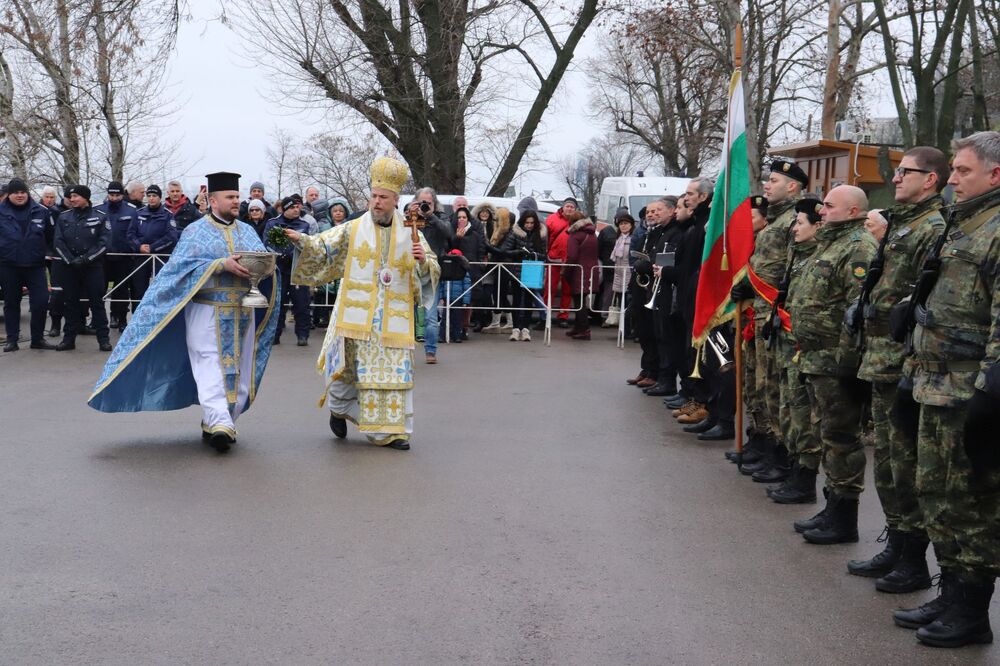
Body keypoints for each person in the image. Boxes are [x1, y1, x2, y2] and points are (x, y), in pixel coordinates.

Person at [894, 131, 1000, 648]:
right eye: (953, 170)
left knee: (971, 502)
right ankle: (952, 592)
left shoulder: (996, 230)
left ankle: (973, 611)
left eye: (962, 171)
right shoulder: (965, 224)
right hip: (932, 381)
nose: (952, 179)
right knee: (936, 494)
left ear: (995, 174)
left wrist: (990, 391)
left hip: (968, 388)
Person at [89, 172, 280, 454]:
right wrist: (218, 265)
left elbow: (262, 263)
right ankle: (219, 423)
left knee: (238, 368)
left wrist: (267, 267)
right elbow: (178, 271)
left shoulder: (248, 231)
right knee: (210, 364)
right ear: (213, 201)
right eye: (230, 197)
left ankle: (221, 419)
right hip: (206, 310)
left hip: (242, 311)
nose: (236, 202)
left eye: (238, 197)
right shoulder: (195, 232)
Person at [283, 157, 439, 451]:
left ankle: (392, 432)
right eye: (374, 196)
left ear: (395, 200)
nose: (377, 202)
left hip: (394, 317)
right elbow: (323, 245)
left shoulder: (411, 231)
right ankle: (339, 409)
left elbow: (431, 268)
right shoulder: (354, 228)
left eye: (383, 197)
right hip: (357, 313)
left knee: (392, 374)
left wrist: (422, 261)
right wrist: (301, 240)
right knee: (350, 369)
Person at [846, 147, 948, 593]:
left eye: (906, 172)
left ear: (930, 179)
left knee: (904, 465)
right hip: (881, 356)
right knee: (887, 463)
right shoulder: (905, 222)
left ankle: (913, 559)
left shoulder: (933, 227)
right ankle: (898, 543)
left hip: (902, 358)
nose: (897, 178)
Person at [787, 185, 876, 545]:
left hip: (836, 361)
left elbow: (857, 313)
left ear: (853, 210)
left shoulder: (858, 247)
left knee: (842, 439)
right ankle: (831, 508)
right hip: (815, 357)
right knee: (828, 435)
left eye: (828, 205)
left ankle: (844, 518)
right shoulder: (831, 242)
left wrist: (848, 362)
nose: (821, 210)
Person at [734, 159, 807, 481]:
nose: (766, 184)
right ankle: (761, 444)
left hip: (777, 317)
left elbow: (792, 269)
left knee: (775, 390)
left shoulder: (795, 220)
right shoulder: (776, 220)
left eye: (773, 180)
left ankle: (779, 456)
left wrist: (760, 287)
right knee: (758, 386)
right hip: (759, 314)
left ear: (792, 186)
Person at [766, 198, 823, 503]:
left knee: (804, 417)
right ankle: (793, 470)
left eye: (801, 222)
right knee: (789, 410)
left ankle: (805, 481)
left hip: (808, 348)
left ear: (819, 226)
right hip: (790, 343)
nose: (795, 227)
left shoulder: (820, 254)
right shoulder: (800, 254)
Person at [52, 185, 113, 352]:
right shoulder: (64, 217)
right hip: (70, 268)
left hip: (92, 267)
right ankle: (68, 339)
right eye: (70, 197)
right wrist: (70, 260)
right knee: (70, 304)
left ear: (86, 197)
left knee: (97, 304)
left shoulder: (100, 216)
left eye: (76, 196)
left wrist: (86, 259)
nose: (72, 200)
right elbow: (58, 242)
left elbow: (104, 243)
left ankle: (103, 339)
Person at [0, 178, 57, 351]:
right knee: (11, 303)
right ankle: (12, 340)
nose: (19, 195)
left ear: (28, 193)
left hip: (35, 265)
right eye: (15, 192)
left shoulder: (41, 211)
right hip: (8, 264)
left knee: (40, 302)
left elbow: (51, 236)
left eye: (22, 192)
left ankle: (38, 338)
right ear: (9, 194)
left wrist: (48, 253)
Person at [405, 187, 452, 364]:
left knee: (430, 315)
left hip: (432, 270)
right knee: (406, 313)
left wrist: (430, 215)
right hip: (409, 270)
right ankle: (404, 349)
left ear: (434, 203)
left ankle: (430, 351)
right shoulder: (408, 217)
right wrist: (411, 213)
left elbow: (449, 234)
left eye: (428, 203)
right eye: (421, 202)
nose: (424, 205)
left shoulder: (440, 217)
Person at [263, 196, 312, 346]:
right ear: (285, 209)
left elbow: (307, 244)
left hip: (297, 270)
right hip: (279, 269)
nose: (296, 210)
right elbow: (266, 243)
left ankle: (302, 335)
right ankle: (275, 335)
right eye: (292, 207)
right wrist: (279, 254)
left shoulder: (304, 225)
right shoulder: (273, 224)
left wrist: (292, 254)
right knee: (278, 303)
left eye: (298, 207)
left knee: (301, 303)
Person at [95, 180, 139, 331]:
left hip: (123, 257)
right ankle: (97, 321)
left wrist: (132, 249)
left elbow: (133, 233)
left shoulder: (131, 210)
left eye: (117, 195)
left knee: (121, 290)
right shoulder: (99, 210)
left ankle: (121, 319)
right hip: (103, 257)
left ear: (122, 195)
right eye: (111, 195)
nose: (114, 198)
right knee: (99, 289)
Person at [498, 209, 548, 341]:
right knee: (516, 299)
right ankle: (515, 328)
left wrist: (534, 255)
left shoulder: (541, 234)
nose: (529, 225)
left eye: (532, 223)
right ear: (522, 222)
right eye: (527, 222)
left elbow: (545, 254)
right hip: (517, 270)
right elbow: (505, 250)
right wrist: (518, 252)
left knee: (528, 300)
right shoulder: (515, 232)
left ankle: (525, 328)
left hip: (532, 270)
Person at [127, 185, 179, 304]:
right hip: (141, 257)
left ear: (160, 198)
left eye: (154, 196)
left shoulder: (167, 214)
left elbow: (172, 237)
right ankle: (137, 318)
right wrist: (138, 247)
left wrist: (153, 248)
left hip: (160, 257)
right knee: (138, 290)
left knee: (161, 289)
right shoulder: (138, 213)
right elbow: (130, 234)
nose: (151, 198)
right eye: (149, 196)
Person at [448, 205, 486, 340]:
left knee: (468, 301)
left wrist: (481, 265)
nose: (461, 219)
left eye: (464, 217)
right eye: (459, 217)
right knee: (454, 300)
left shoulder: (475, 233)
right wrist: (457, 238)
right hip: (455, 271)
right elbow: (450, 249)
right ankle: (452, 328)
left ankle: (464, 328)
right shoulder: (451, 231)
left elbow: (481, 249)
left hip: (472, 270)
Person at [563, 209, 598, 340]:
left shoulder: (575, 236)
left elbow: (572, 256)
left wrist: (566, 272)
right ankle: (578, 327)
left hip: (578, 271)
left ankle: (584, 330)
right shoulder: (593, 234)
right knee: (581, 300)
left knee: (579, 302)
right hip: (591, 270)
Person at [544, 197, 578, 327]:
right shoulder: (551, 219)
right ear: (563, 207)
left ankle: (563, 316)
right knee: (550, 289)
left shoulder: (577, 221)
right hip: (554, 259)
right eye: (567, 206)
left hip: (569, 261)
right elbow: (545, 238)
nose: (569, 209)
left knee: (567, 290)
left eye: (572, 207)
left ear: (575, 209)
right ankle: (545, 314)